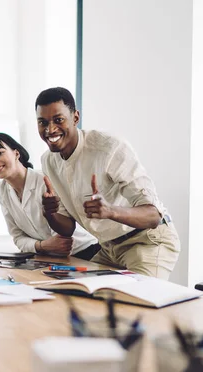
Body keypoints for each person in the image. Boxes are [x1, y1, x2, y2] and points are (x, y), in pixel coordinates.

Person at [36, 87, 180, 278]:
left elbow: (153, 215)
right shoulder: (49, 161)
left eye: (58, 120)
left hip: (147, 240)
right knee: (78, 293)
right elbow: (67, 227)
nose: (50, 129)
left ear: (75, 118)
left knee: (137, 300)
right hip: (109, 248)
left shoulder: (109, 148)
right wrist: (50, 213)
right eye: (43, 122)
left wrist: (110, 211)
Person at [0, 133, 100, 259]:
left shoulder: (45, 180)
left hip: (85, 252)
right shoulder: (2, 189)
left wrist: (42, 246)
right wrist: (42, 246)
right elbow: (18, 237)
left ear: (16, 153)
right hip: (49, 256)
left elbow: (61, 241)